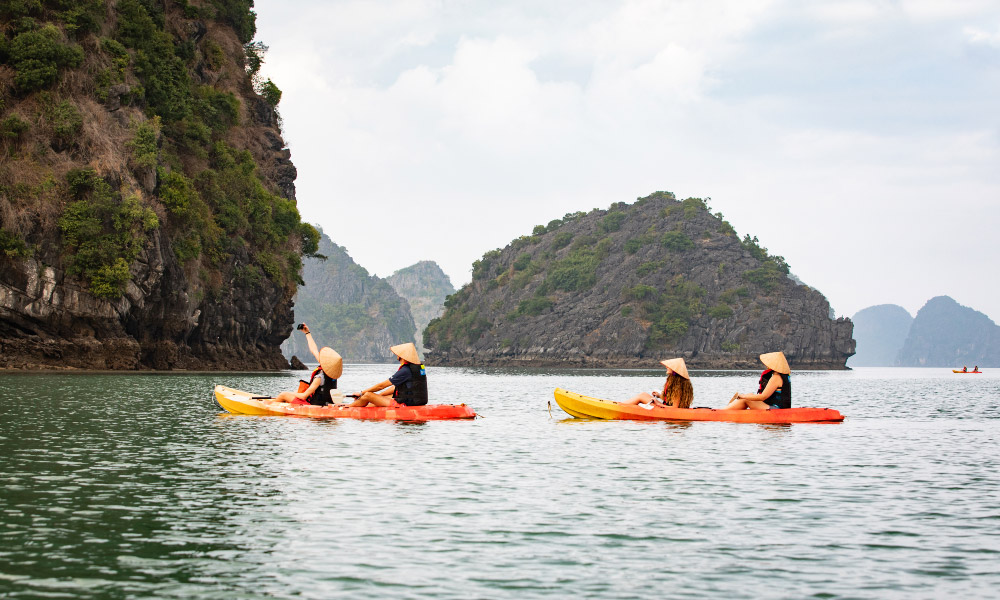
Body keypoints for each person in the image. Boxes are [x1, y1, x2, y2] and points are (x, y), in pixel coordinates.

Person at [273, 324, 343, 405]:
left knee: (283, 394)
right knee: (295, 392)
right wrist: (307, 333)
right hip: (326, 403)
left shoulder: (319, 377)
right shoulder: (332, 374)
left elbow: (303, 396)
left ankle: (270, 407)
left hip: (314, 406)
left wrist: (290, 393)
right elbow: (314, 350)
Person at [349, 342, 428, 407]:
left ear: (402, 356)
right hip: (415, 401)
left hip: (405, 403)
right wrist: (379, 396)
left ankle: (348, 408)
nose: (397, 355)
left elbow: (381, 386)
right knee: (374, 400)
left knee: (367, 395)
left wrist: (361, 393)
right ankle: (359, 405)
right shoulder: (416, 368)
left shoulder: (405, 370)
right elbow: (396, 387)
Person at [721, 351, 791, 410]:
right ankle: (724, 411)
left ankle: (721, 413)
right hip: (777, 408)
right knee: (749, 395)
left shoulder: (776, 377)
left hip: (776, 409)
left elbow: (763, 397)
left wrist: (743, 396)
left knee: (746, 399)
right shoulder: (785, 376)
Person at [621, 358, 694, 408]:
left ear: (675, 370)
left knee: (642, 396)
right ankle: (621, 405)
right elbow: (670, 400)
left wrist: (657, 403)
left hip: (668, 411)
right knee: (643, 394)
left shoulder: (678, 387)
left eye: (669, 366)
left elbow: (674, 408)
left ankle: (619, 406)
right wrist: (659, 395)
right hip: (665, 408)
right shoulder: (676, 382)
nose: (666, 367)